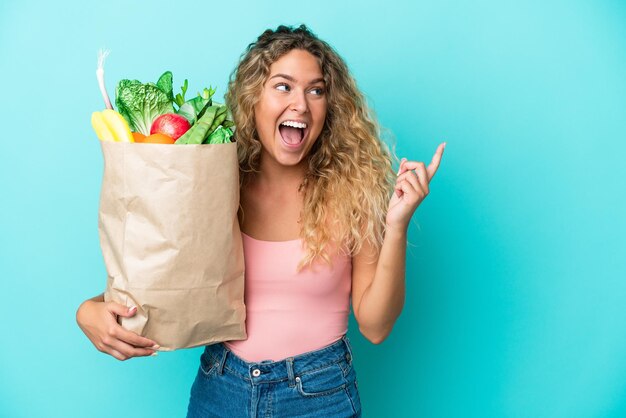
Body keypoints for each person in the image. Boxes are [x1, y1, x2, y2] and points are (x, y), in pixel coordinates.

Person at [76, 24, 445, 417]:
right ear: (254, 98)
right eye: (283, 86)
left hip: (319, 395)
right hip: (221, 389)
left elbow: (375, 326)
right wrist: (89, 311)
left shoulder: (355, 192)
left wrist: (397, 224)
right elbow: (159, 282)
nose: (301, 104)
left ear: (330, 107)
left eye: (316, 90)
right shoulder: (212, 183)